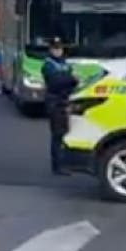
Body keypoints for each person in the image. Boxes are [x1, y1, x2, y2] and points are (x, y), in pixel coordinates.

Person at [41, 37, 78, 175]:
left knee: (65, 133)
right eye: (55, 48)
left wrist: (70, 79)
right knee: (57, 134)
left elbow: (73, 80)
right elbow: (56, 82)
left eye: (60, 48)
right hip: (55, 102)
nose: (58, 51)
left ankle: (65, 163)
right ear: (50, 49)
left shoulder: (64, 63)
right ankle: (57, 166)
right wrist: (70, 78)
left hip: (65, 100)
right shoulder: (48, 65)